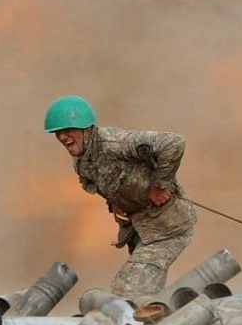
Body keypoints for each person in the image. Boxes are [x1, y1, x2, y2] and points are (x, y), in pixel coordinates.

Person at [44, 95, 197, 298]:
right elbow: (104, 184)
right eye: (57, 133)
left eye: (67, 131)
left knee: (128, 290)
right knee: (146, 294)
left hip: (168, 226)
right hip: (141, 230)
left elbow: (173, 143)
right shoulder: (81, 163)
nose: (62, 137)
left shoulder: (115, 143)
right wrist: (115, 204)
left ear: (86, 128)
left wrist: (160, 186)